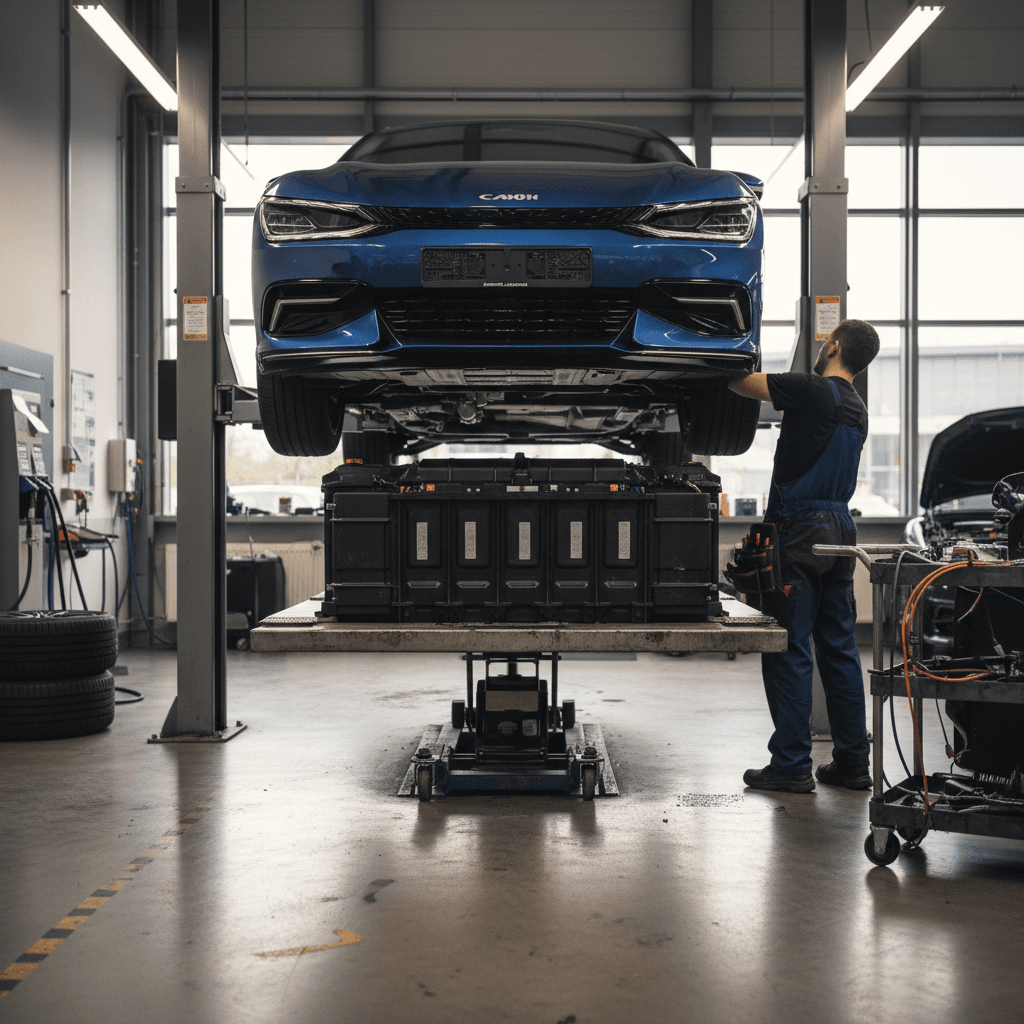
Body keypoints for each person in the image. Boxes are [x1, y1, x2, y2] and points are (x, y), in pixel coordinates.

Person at [727, 319, 880, 793]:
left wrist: (714, 355)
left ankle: (792, 764)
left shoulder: (811, 389)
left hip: (799, 533)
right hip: (840, 533)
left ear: (834, 346)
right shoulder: (859, 408)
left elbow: (739, 383)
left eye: (824, 339)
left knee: (789, 647)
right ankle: (854, 763)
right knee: (838, 647)